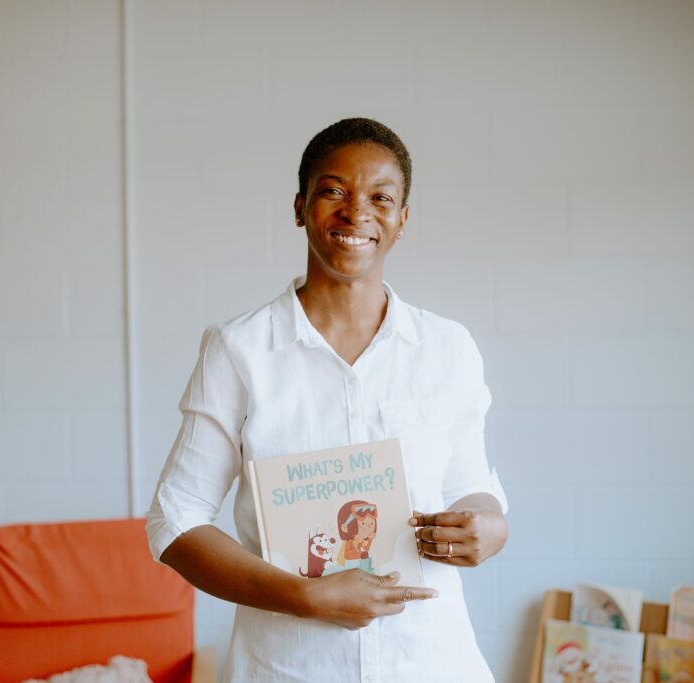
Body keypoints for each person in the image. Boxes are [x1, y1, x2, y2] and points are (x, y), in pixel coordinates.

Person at [146, 117, 509, 681]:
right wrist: (303, 596)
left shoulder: (447, 347)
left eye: (380, 197)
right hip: (289, 665)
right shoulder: (239, 350)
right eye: (333, 190)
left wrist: (490, 527)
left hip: (429, 661)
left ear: (403, 220)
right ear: (299, 208)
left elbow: (471, 489)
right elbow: (175, 521)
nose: (356, 211)